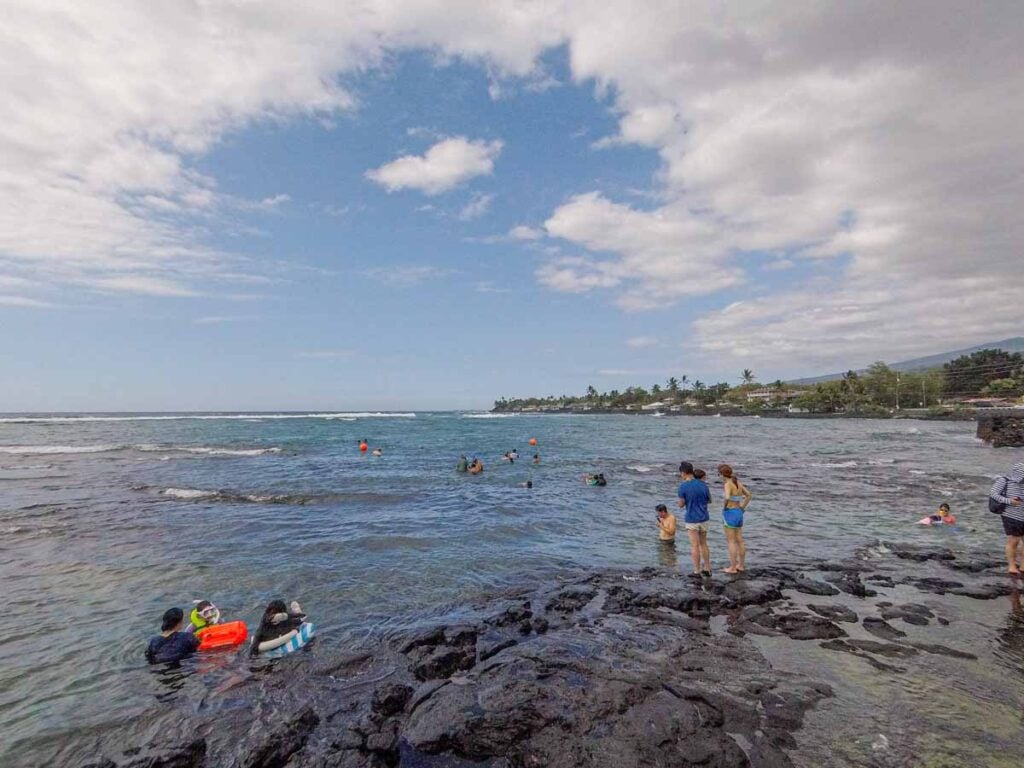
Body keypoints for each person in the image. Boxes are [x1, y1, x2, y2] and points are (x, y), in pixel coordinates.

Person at [677, 461, 712, 578]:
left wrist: (683, 501)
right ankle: (707, 568)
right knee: (704, 543)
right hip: (704, 517)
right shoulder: (703, 484)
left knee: (694, 545)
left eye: (681, 473)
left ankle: (697, 571)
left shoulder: (683, 486)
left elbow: (681, 504)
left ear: (683, 473)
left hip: (692, 518)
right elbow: (709, 500)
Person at [991, 462, 1024, 575]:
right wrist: (1010, 501)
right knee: (1014, 540)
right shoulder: (1004, 480)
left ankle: (1023, 565)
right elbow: (994, 494)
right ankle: (1012, 566)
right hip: (1011, 515)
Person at [718, 464, 752, 574]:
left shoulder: (728, 484)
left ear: (722, 474)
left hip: (730, 513)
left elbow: (727, 497)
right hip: (738, 512)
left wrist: (724, 507)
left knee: (731, 541)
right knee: (740, 540)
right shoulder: (738, 483)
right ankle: (741, 565)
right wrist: (742, 507)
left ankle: (732, 567)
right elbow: (749, 495)